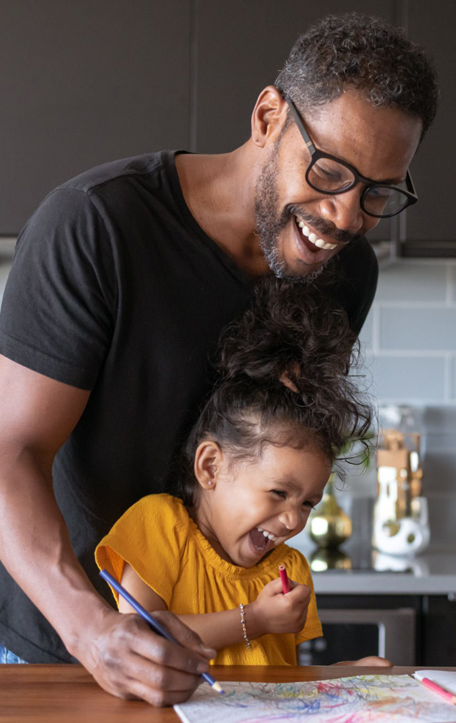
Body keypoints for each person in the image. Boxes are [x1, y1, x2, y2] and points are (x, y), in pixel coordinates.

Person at [0, 13, 439, 706]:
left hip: (228, 666)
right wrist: (93, 629)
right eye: (331, 170)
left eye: (378, 192)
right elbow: (3, 454)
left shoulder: (346, 274)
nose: (346, 216)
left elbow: (279, 446)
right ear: (268, 116)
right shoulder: (96, 226)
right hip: (67, 644)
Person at [95, 279, 383, 666]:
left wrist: (345, 676)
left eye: (309, 503)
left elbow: (284, 680)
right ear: (210, 466)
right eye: (280, 493)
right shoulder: (159, 527)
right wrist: (256, 619)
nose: (293, 520)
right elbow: (142, 638)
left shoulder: (289, 569)